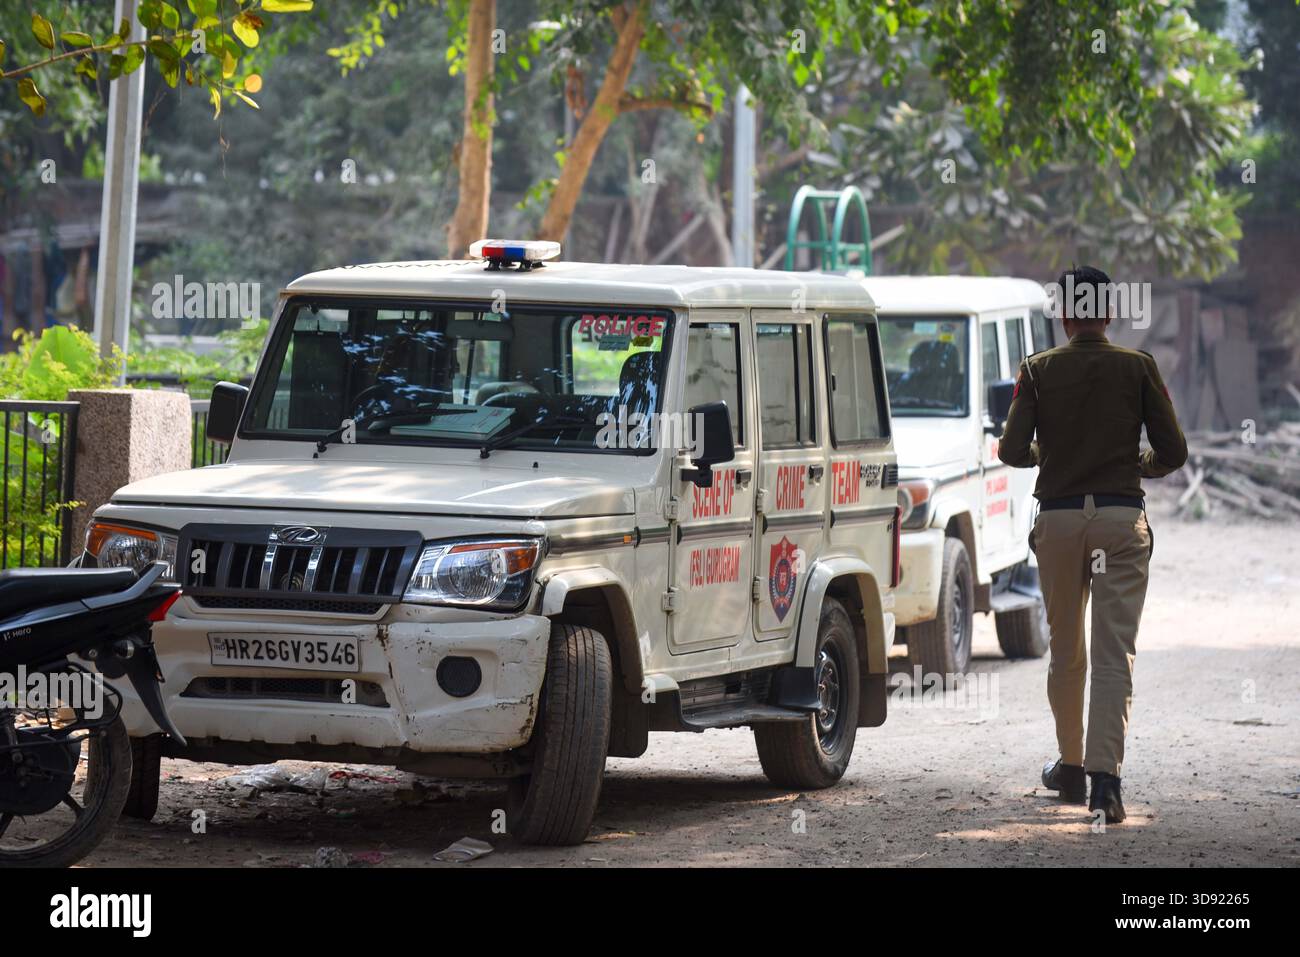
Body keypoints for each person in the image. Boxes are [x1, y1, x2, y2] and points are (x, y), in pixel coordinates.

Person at [998, 266, 1187, 823]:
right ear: (1108, 313)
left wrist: (1045, 457)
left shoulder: (1037, 371)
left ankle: (1071, 768)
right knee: (1113, 653)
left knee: (1067, 648)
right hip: (1119, 520)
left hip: (1058, 523)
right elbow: (1173, 451)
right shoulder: (1138, 368)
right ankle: (1107, 783)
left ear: (1063, 315)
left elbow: (1012, 451)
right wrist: (1136, 464)